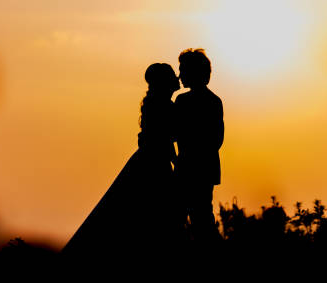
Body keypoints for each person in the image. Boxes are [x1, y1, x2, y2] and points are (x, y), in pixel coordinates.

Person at [62, 63, 184, 261]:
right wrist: (176, 160)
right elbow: (163, 138)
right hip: (154, 165)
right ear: (165, 82)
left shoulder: (157, 103)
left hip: (148, 161)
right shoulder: (163, 105)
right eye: (172, 76)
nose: (177, 78)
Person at [174, 48, 224, 245]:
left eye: (183, 70)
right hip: (205, 170)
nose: (180, 75)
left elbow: (175, 133)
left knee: (186, 220)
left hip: (189, 169)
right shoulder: (214, 101)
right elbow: (217, 139)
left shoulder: (183, 101)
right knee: (202, 220)